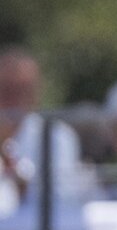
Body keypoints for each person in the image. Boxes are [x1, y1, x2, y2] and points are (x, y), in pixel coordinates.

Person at [0, 46, 96, 216]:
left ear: (36, 93)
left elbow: (62, 202)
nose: (14, 99)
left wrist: (22, 185)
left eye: (23, 90)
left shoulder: (57, 137)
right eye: (7, 89)